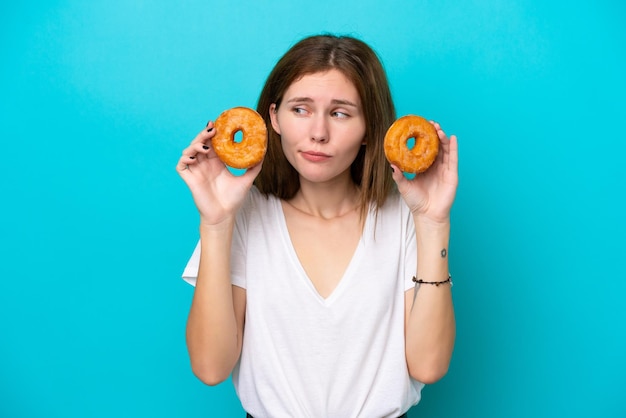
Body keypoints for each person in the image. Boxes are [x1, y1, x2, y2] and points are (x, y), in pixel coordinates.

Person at [176, 34, 458, 418]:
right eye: (300, 109)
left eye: (340, 113)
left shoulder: (404, 217)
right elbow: (211, 368)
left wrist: (433, 223)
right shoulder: (244, 216)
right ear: (273, 118)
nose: (318, 133)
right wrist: (216, 224)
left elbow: (429, 366)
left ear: (369, 129)